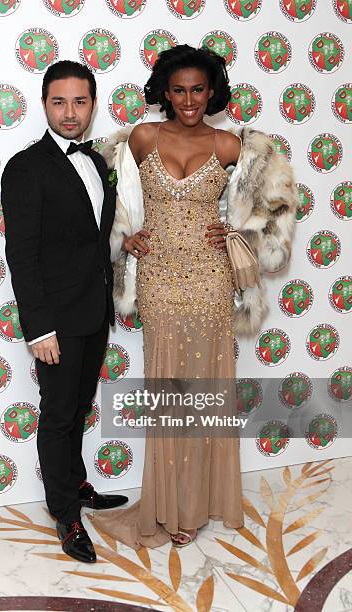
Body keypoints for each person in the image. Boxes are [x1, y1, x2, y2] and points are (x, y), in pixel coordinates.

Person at [92, 44, 298, 548]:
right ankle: (167, 504)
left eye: (198, 90)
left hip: (210, 280)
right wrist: (123, 235)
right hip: (159, 279)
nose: (189, 100)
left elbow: (277, 210)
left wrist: (238, 235)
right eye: (179, 90)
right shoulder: (141, 138)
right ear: (165, 92)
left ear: (212, 92)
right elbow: (101, 195)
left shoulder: (231, 146)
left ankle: (197, 504)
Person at [1, 60, 128, 564]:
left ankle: (77, 484)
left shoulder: (98, 162)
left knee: (78, 408)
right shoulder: (26, 167)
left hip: (94, 313)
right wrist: (39, 329)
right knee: (57, 415)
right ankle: (65, 514)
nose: (70, 112)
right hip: (55, 321)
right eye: (59, 101)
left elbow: (94, 238)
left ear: (93, 105)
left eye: (80, 101)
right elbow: (23, 256)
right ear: (44, 103)